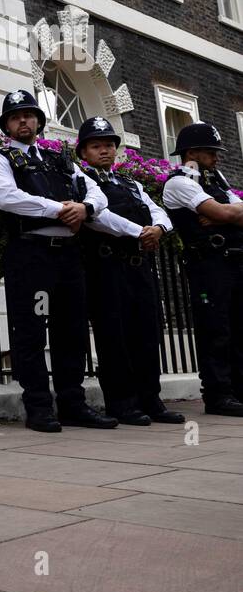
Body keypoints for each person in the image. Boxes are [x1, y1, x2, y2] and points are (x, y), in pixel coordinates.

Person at [0, 89, 115, 432]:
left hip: (68, 255)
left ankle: (73, 403)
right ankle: (39, 406)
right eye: (15, 117)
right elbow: (7, 198)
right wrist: (60, 209)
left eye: (28, 115)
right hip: (31, 254)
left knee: (71, 331)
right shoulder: (1, 161)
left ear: (39, 122)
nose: (23, 120)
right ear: (7, 126)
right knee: (31, 332)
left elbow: (96, 191)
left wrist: (85, 208)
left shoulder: (60, 160)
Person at [75, 116, 184, 425]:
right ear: (84, 152)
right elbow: (98, 217)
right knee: (115, 336)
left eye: (109, 145)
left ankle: (151, 399)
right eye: (96, 146)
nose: (105, 151)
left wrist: (159, 229)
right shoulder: (82, 180)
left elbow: (158, 210)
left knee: (148, 334)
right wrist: (140, 232)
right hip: (107, 268)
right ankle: (122, 403)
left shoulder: (131, 183)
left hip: (140, 268)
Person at [161, 121, 243, 416]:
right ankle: (218, 395)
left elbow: (225, 212)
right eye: (211, 151)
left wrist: (223, 216)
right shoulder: (179, 182)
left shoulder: (216, 181)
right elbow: (221, 210)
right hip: (207, 264)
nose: (217, 157)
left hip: (233, 260)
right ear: (192, 152)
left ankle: (238, 389)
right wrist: (226, 215)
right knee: (215, 328)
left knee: (237, 327)